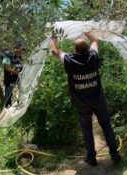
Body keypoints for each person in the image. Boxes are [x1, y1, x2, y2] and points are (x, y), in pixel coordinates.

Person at [50, 32, 121, 166]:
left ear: (74, 49)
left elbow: (54, 51)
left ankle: (91, 158)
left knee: (86, 130)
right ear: (87, 49)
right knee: (107, 126)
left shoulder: (69, 60)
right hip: (98, 99)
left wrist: (54, 37)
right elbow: (95, 40)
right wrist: (86, 29)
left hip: (82, 103)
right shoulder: (93, 56)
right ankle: (115, 154)